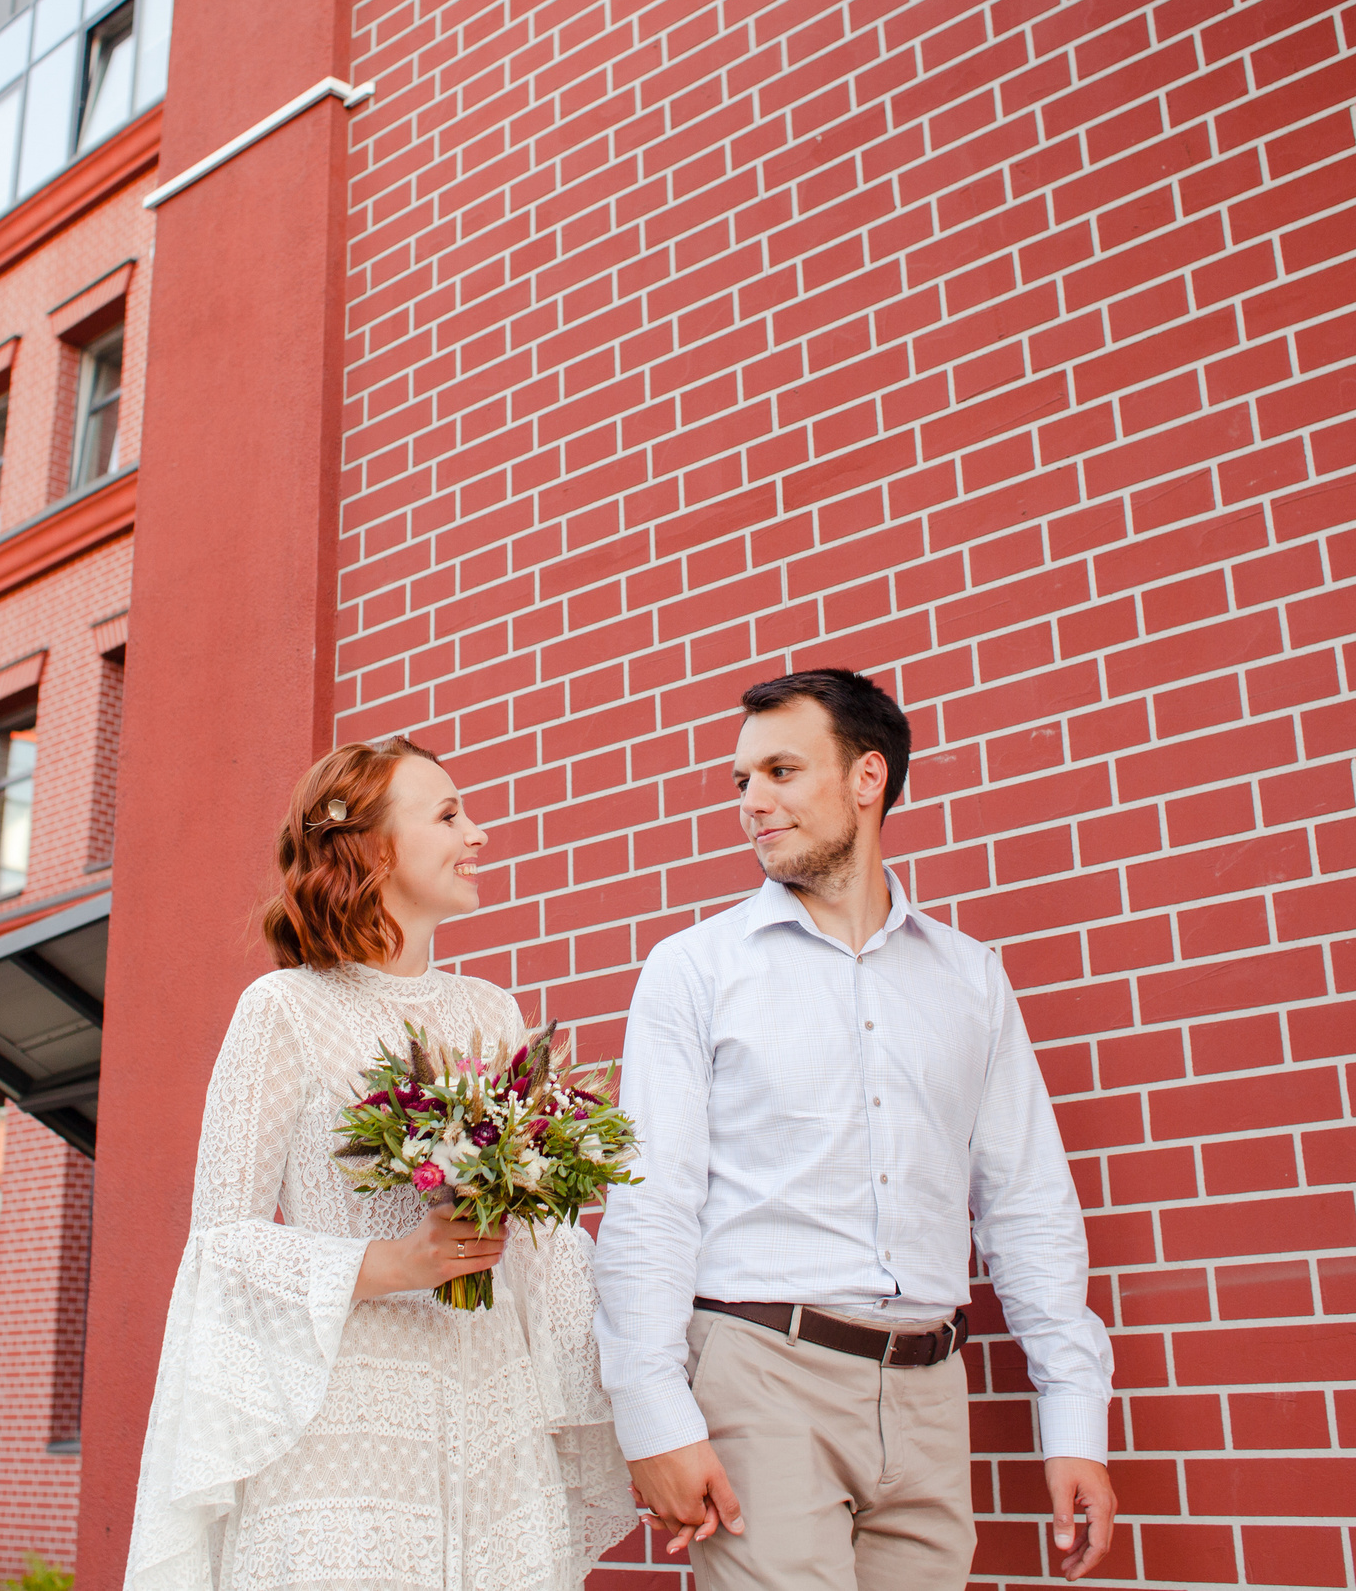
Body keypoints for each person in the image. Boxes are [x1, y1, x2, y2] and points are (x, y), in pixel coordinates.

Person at [593, 668, 1119, 1587]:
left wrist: (1073, 1415)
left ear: (868, 778)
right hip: (762, 1377)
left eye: (782, 771)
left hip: (929, 1392)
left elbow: (1027, 1200)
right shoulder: (694, 970)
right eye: (742, 780)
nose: (753, 801)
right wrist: (652, 1413)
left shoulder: (970, 977)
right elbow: (651, 1205)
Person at [124, 738, 633, 1590]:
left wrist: (642, 1394)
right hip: (347, 1436)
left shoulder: (492, 1011)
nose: (478, 833)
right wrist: (386, 1263)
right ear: (372, 845)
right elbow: (221, 1243)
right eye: (448, 814)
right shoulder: (283, 1010)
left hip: (494, 1420)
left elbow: (547, 1253)